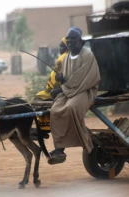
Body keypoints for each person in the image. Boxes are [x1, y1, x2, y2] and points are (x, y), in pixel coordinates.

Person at [47, 27, 101, 165]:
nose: (70, 41)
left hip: (84, 90)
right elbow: (68, 79)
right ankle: (59, 148)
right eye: (68, 39)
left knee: (71, 108)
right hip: (69, 90)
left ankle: (85, 142)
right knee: (55, 110)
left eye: (73, 38)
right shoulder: (65, 58)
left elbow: (82, 79)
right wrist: (61, 80)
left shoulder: (87, 55)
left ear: (80, 41)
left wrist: (63, 86)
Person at [32, 37, 69, 136]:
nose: (60, 49)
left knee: (39, 98)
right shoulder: (70, 56)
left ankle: (44, 127)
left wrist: (52, 87)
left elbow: (56, 75)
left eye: (62, 46)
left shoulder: (63, 57)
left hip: (61, 89)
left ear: (66, 47)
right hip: (63, 88)